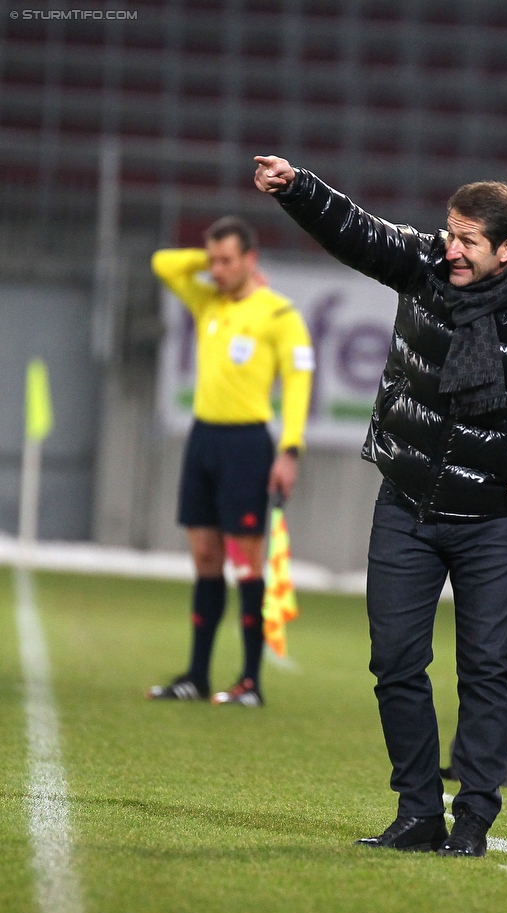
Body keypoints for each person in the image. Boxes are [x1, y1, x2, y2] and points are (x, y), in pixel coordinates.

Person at [254, 155, 507, 854]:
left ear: (505, 250)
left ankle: (472, 821)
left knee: (484, 673)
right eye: (448, 233)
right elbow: (355, 231)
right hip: (407, 503)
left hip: (491, 520)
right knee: (394, 662)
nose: (448, 248)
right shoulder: (423, 265)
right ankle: (417, 811)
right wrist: (299, 188)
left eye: (466, 241)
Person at [147, 216, 313, 706]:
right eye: (211, 259)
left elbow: (299, 382)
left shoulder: (279, 314)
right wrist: (206, 260)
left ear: (250, 260)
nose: (215, 270)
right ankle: (196, 676)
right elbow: (162, 265)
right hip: (203, 439)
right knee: (204, 558)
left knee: (245, 562)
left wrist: (291, 449)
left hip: (247, 445)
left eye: (226, 260)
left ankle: (249, 681)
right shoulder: (208, 301)